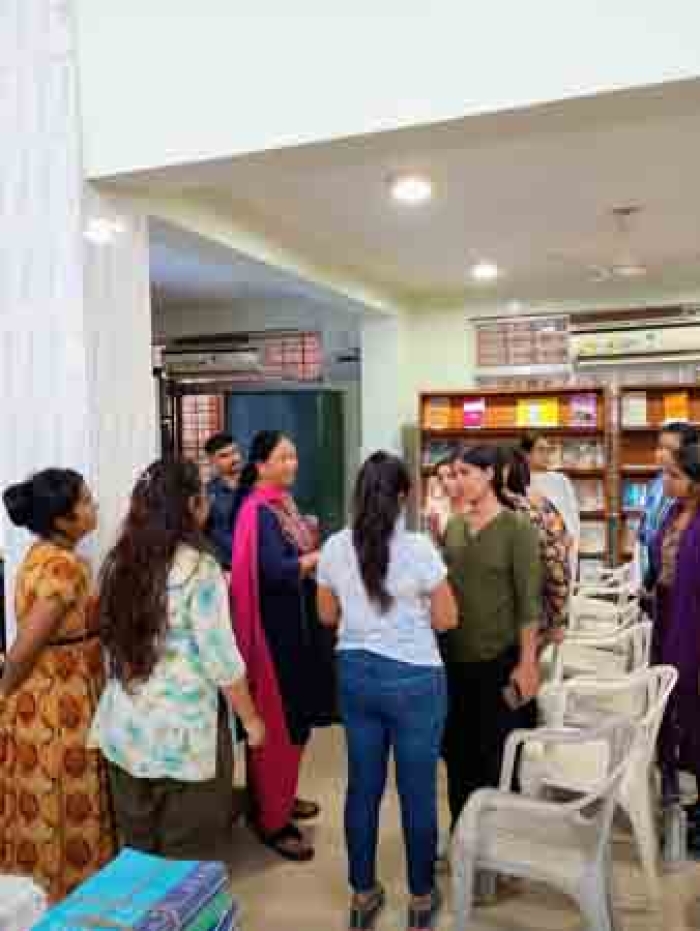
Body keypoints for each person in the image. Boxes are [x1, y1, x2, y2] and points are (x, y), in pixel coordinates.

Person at [90, 459, 265, 861]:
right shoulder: (199, 569)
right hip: (184, 739)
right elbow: (221, 659)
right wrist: (252, 721)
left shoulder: (118, 563)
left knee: (138, 858)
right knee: (186, 865)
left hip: (126, 730)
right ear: (190, 505)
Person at [317, 452, 457, 931]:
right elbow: (446, 619)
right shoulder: (419, 548)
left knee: (363, 788)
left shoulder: (334, 547)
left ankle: (362, 894)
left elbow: (326, 616)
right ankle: (420, 899)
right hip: (415, 679)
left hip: (356, 675)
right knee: (418, 792)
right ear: (403, 497)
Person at [0, 469, 115, 901]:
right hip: (57, 701)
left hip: (51, 691)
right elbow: (26, 644)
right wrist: (4, 690)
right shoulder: (63, 568)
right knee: (64, 796)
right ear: (62, 520)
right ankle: (67, 894)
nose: (94, 506)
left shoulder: (41, 554)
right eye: (85, 502)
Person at [230, 430, 335, 862]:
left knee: (295, 721)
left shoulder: (280, 505)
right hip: (274, 637)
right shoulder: (258, 511)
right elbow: (274, 571)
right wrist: (317, 558)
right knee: (277, 722)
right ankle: (272, 820)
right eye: (284, 457)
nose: (293, 464)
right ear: (261, 465)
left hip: (295, 628)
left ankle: (281, 796)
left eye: (294, 456)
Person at [441, 445, 542, 829]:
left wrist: (528, 662)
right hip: (454, 661)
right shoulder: (453, 528)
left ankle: (500, 844)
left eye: (465, 473)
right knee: (457, 755)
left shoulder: (518, 530)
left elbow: (528, 602)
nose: (458, 482)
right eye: (454, 474)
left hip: (499, 661)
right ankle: (463, 836)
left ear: (490, 475)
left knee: (498, 757)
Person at [649, 443, 700, 819]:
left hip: (692, 625)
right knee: (680, 709)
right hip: (670, 618)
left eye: (674, 475)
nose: (665, 480)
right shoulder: (675, 512)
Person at [501, 446, 571, 646]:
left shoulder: (522, 508)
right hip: (536, 615)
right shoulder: (535, 502)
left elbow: (555, 559)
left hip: (524, 619)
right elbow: (562, 548)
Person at [639, 422, 699, 589]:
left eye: (669, 448)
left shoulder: (686, 487)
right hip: (656, 571)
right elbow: (646, 532)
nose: (662, 454)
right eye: (660, 446)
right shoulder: (655, 485)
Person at [521, 433, 580, 580]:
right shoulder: (519, 481)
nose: (546, 455)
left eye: (549, 450)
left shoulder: (561, 481)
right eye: (541, 450)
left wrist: (567, 542)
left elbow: (573, 519)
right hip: (529, 554)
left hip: (560, 553)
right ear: (526, 454)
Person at [204, 432, 243, 570]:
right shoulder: (206, 494)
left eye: (235, 452)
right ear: (211, 460)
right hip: (226, 571)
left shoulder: (257, 486)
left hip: (259, 568)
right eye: (224, 456)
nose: (234, 458)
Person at [425, 456, 469, 544]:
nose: (445, 482)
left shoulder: (477, 506)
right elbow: (435, 545)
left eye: (451, 476)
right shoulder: (438, 507)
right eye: (440, 478)